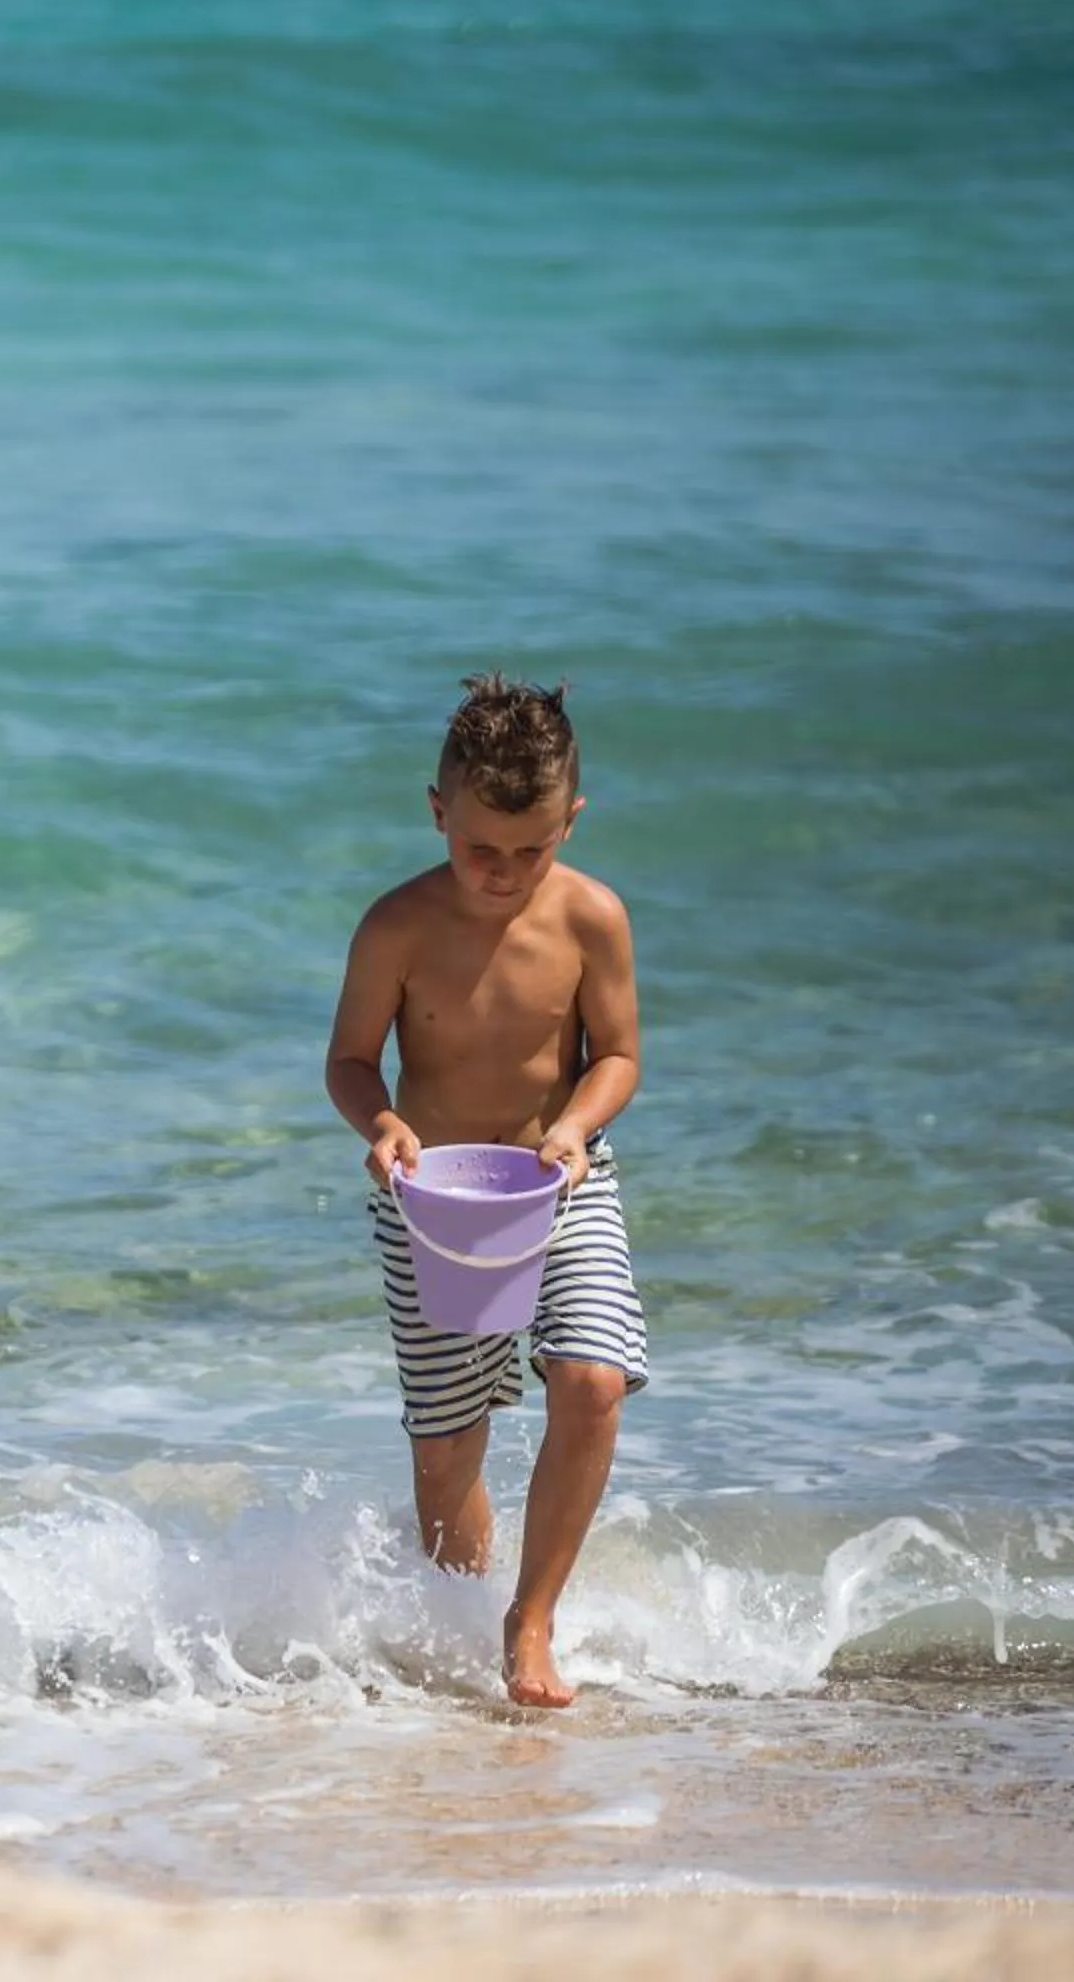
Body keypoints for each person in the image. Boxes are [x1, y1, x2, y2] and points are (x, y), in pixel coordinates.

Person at [325, 674, 648, 1709]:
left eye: (532, 849)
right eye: (479, 849)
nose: (503, 874)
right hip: (431, 1196)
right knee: (450, 1442)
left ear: (571, 821)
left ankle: (532, 1617)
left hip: (560, 1178)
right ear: (437, 811)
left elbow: (621, 1055)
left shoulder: (594, 917)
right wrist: (381, 1123)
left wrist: (573, 1126)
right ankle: (451, 1629)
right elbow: (349, 1059)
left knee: (592, 1379)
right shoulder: (397, 926)